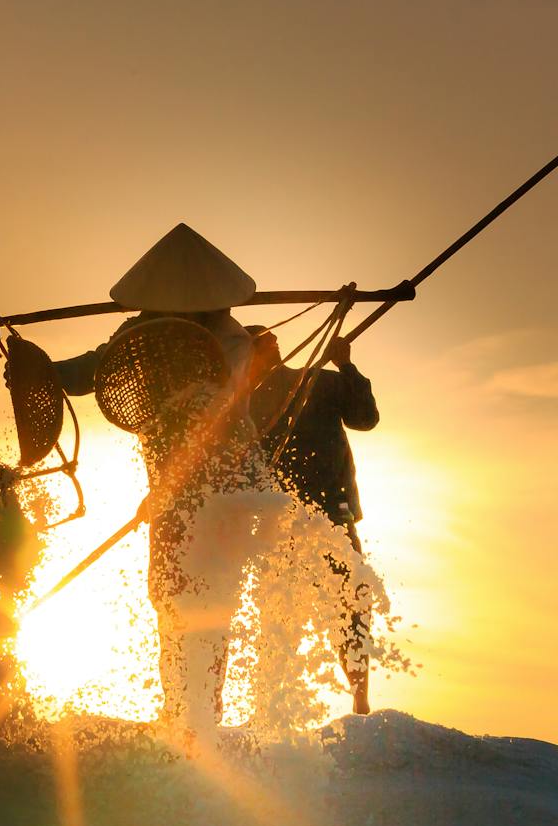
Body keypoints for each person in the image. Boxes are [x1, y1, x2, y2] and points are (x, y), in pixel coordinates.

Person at [50, 223, 274, 731]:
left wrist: (180, 476)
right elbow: (93, 368)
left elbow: (222, 405)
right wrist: (42, 368)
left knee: (214, 595)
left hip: (228, 485)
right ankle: (178, 709)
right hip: (171, 488)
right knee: (169, 593)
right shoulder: (141, 333)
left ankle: (203, 713)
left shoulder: (229, 338)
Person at [245, 326, 380, 715]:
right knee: (276, 615)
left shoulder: (315, 382)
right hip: (276, 520)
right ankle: (269, 707)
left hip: (330, 513)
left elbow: (365, 418)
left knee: (351, 603)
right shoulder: (243, 406)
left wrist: (347, 365)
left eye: (264, 345)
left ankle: (359, 698)